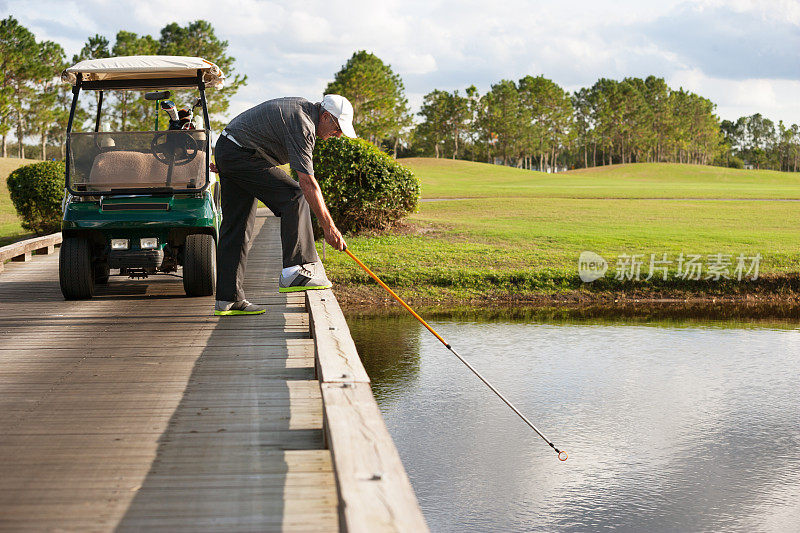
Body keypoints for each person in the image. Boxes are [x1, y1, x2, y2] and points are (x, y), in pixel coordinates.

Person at [210, 95, 356, 316]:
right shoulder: (304, 124)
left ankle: (228, 300)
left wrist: (227, 160)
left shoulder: (303, 114)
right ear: (325, 116)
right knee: (295, 196)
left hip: (230, 149)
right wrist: (329, 228)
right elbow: (307, 183)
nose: (337, 134)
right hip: (239, 154)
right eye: (337, 128)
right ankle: (295, 271)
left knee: (237, 226)